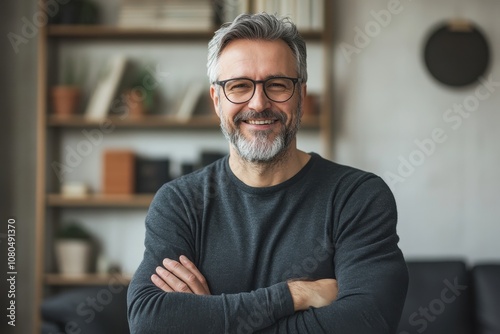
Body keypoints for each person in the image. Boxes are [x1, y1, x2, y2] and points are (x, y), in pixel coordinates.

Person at [127, 12, 408, 333]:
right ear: (217, 100)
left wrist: (211, 320)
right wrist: (293, 294)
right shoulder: (180, 202)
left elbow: (367, 322)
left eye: (277, 85)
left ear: (301, 96)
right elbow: (150, 321)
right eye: (239, 86)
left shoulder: (357, 197)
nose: (258, 103)